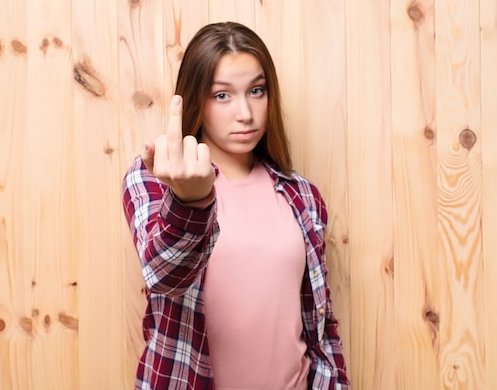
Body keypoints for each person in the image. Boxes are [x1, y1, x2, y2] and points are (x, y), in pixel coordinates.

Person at [122, 22, 349, 390]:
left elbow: (321, 324)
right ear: (197, 98)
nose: (245, 113)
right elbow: (164, 276)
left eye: (256, 91)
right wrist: (191, 202)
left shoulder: (302, 196)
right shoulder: (154, 180)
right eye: (223, 96)